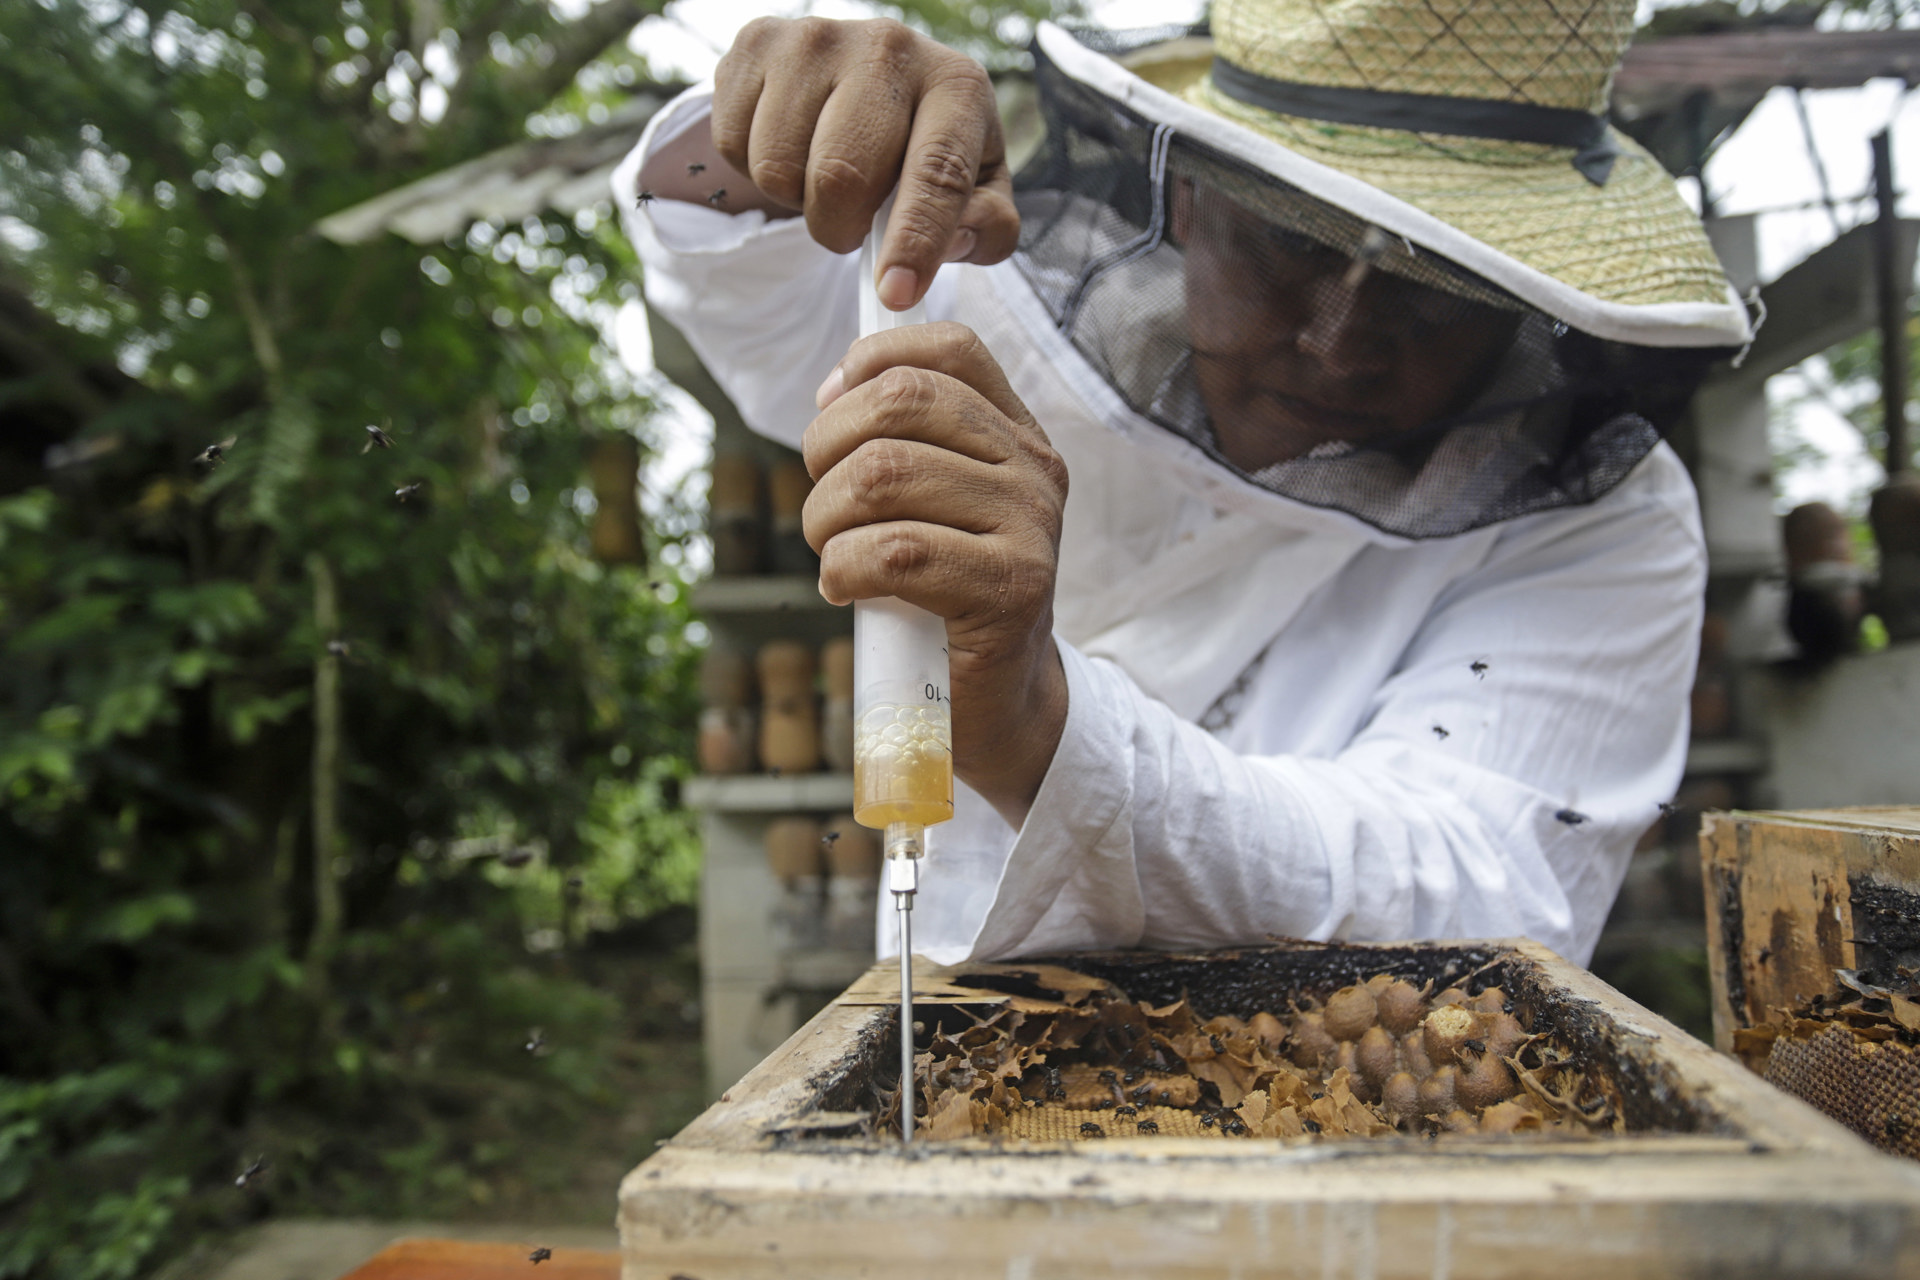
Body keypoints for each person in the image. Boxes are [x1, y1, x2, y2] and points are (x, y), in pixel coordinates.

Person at [613, 0, 1751, 967]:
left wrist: (1041, 723)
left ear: (1529, 300)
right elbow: (758, 301)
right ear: (1192, 198)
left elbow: (1462, 888)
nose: (1339, 343)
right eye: (1292, 241)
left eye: (1436, 287)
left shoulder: (1610, 525)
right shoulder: (983, 292)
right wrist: (783, 136)